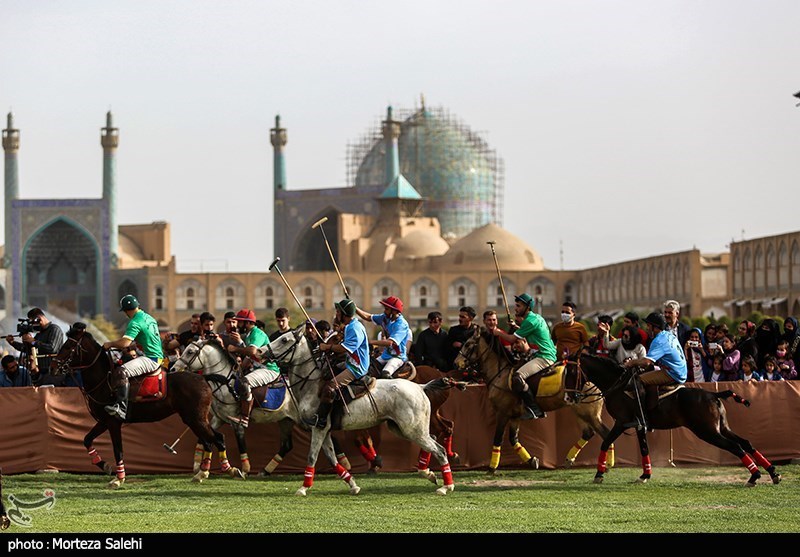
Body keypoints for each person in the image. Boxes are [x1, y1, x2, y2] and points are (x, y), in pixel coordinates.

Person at [304, 299, 370, 429]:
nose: (336, 314)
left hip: (357, 367)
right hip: (350, 362)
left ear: (344, 314)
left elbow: (344, 348)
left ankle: (321, 420)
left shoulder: (354, 328)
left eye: (338, 311)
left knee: (330, 386)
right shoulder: (350, 326)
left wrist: (327, 347)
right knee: (326, 373)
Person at [490, 293, 556, 420]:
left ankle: (535, 409)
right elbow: (530, 331)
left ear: (527, 307)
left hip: (544, 357)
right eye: (516, 305)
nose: (515, 308)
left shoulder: (530, 321)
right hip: (542, 354)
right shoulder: (535, 318)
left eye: (518, 306)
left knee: (517, 377)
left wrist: (498, 332)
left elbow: (511, 339)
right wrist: (516, 327)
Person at [102, 295, 165, 420]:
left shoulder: (135, 321)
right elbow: (148, 338)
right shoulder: (148, 317)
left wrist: (110, 344)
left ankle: (121, 408)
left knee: (121, 371)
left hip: (151, 359)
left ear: (126, 311)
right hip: (157, 356)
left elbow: (125, 342)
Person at [623, 312, 687, 430]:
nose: (647, 328)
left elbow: (647, 362)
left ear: (655, 327)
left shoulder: (659, 340)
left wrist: (632, 363)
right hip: (678, 370)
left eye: (648, 326)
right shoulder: (668, 335)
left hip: (673, 373)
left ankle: (642, 419)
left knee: (637, 380)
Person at [227, 309, 276, 428]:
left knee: (244, 382)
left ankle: (245, 418)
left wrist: (235, 349)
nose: (238, 324)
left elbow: (252, 351)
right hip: (258, 368)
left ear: (248, 323)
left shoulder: (257, 333)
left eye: (240, 321)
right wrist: (238, 370)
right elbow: (249, 358)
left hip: (269, 369)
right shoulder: (249, 335)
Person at [5, 307, 65, 386]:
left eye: (34, 322)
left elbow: (52, 348)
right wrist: (12, 343)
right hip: (40, 372)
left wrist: (33, 341)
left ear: (39, 319)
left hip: (53, 372)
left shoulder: (54, 329)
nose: (33, 325)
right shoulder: (40, 333)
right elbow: (29, 349)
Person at [354, 296, 411, 379]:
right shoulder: (385, 318)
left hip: (397, 357)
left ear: (394, 311)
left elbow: (390, 342)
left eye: (387, 309)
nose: (384, 311)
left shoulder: (401, 324)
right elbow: (368, 317)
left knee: (385, 374)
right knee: (367, 369)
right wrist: (355, 308)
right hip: (385, 355)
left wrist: (370, 342)